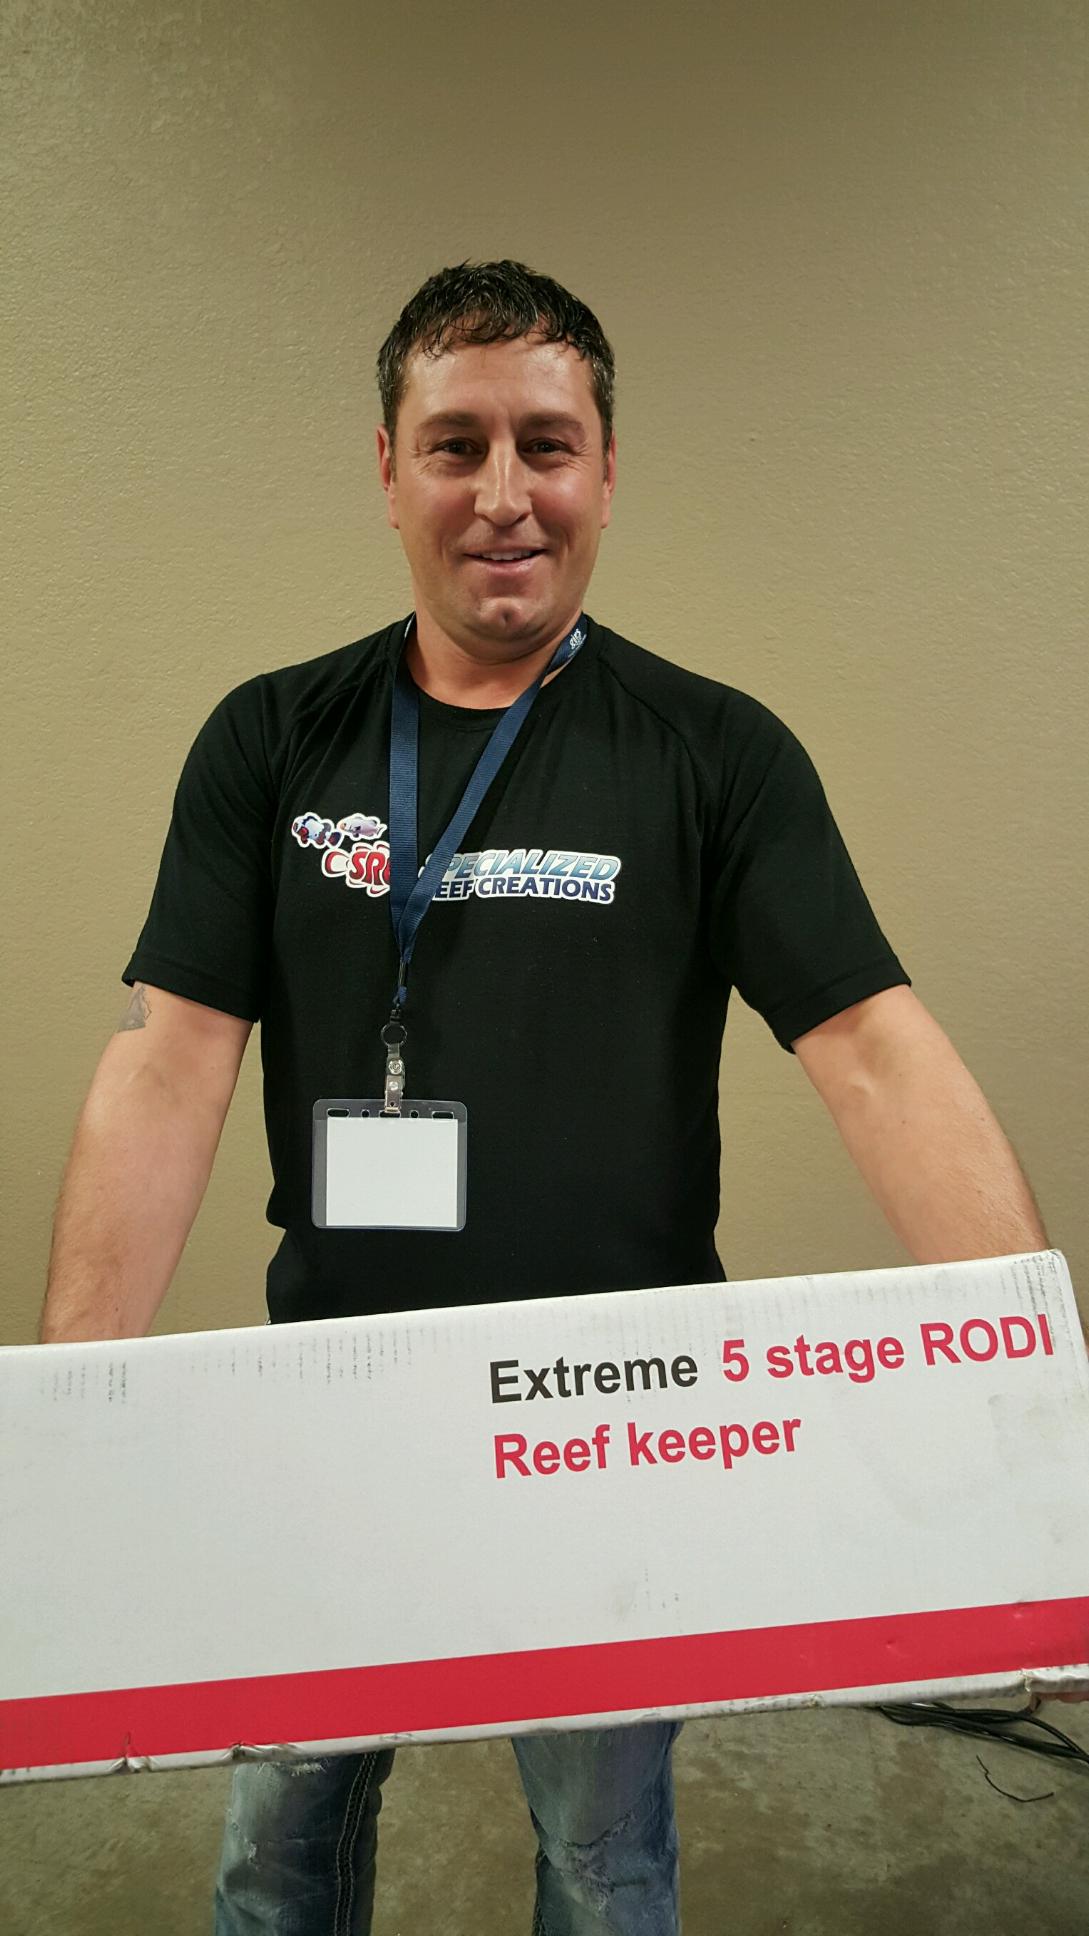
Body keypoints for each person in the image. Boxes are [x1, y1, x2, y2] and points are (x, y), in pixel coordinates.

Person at [40, 258, 1051, 1936]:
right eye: (456, 444)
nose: (503, 493)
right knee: (273, 1856)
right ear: (388, 471)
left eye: (546, 444)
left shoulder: (712, 753)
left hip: (605, 1424)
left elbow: (872, 1049)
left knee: (601, 1862)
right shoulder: (270, 741)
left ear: (605, 470)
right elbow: (167, 1066)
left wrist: (1031, 1402)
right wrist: (72, 1426)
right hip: (330, 1416)